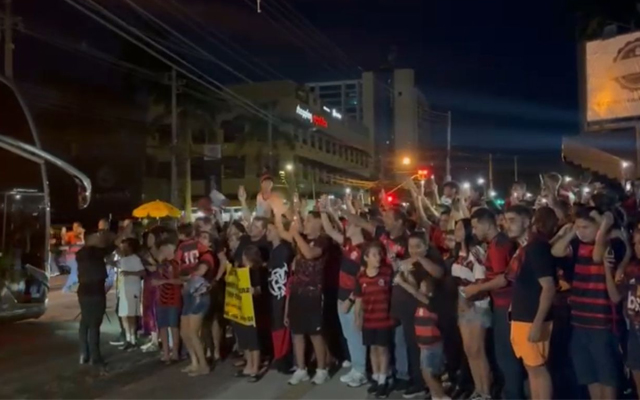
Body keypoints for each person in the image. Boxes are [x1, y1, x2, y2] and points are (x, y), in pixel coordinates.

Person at [551, 207, 627, 400]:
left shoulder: (613, 243)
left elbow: (597, 255)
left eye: (586, 227)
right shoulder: (577, 245)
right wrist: (569, 233)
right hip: (579, 321)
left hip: (602, 322)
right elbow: (556, 251)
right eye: (579, 227)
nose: (581, 231)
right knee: (588, 374)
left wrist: (603, 227)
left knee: (607, 375)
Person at [466, 207, 521, 399]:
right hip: (505, 304)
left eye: (475, 226)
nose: (473, 231)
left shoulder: (498, 246)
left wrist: (477, 289)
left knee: (506, 356)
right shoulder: (498, 243)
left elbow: (502, 279)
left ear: (487, 224)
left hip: (505, 305)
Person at [504, 206, 556, 400]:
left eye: (512, 220)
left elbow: (548, 287)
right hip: (522, 316)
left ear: (527, 222)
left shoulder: (536, 248)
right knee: (530, 367)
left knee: (537, 368)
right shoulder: (524, 248)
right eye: (505, 220)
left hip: (532, 318)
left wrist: (537, 322)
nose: (506, 225)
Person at [319, 195, 368, 387]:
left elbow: (362, 280)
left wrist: (350, 300)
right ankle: (356, 368)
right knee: (349, 336)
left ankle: (362, 371)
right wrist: (324, 210)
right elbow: (330, 230)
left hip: (353, 300)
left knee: (356, 337)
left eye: (351, 224)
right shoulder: (348, 245)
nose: (347, 225)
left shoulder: (364, 250)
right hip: (341, 298)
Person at [284, 212, 331, 385]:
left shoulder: (323, 241)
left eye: (310, 219)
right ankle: (301, 369)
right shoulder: (301, 238)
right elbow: (285, 233)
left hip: (314, 293)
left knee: (315, 333)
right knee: (297, 332)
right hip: (297, 291)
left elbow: (310, 254)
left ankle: (321, 369)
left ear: (319, 223)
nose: (306, 221)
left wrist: (296, 234)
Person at [450, 218, 492, 400]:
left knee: (477, 350)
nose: (456, 231)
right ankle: (478, 389)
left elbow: (482, 281)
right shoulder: (459, 252)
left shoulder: (476, 252)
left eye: (459, 228)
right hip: (463, 305)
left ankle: (486, 391)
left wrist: (468, 298)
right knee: (469, 350)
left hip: (477, 305)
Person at [354, 242, 395, 398]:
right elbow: (359, 299)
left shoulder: (386, 273)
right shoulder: (361, 276)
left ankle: (383, 380)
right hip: (369, 320)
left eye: (379, 254)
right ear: (366, 258)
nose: (378, 258)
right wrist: (358, 318)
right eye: (374, 255)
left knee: (383, 349)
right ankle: (377, 377)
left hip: (384, 319)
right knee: (372, 348)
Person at [76, 233, 110, 367]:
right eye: (97, 237)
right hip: (95, 291)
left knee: (85, 321)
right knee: (95, 323)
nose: (100, 238)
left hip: (84, 291)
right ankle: (95, 357)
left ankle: (84, 353)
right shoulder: (95, 252)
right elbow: (110, 248)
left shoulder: (80, 253)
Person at [265, 221, 295, 373]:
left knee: (282, 325)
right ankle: (278, 356)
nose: (266, 232)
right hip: (274, 293)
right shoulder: (273, 250)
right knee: (276, 325)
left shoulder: (285, 250)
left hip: (282, 293)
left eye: (270, 229)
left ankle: (284, 358)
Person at [153, 238, 182, 364]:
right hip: (161, 299)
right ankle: (166, 353)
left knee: (173, 326)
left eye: (163, 250)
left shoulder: (176, 264)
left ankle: (175, 352)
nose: (161, 252)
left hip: (173, 298)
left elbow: (181, 280)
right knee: (163, 326)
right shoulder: (161, 265)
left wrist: (163, 281)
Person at [116, 238, 145, 350]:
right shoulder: (123, 259)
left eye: (125, 246)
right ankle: (128, 339)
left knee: (131, 314)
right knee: (123, 314)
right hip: (123, 290)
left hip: (132, 290)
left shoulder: (135, 259)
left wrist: (130, 273)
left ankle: (133, 339)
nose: (122, 248)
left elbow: (143, 272)